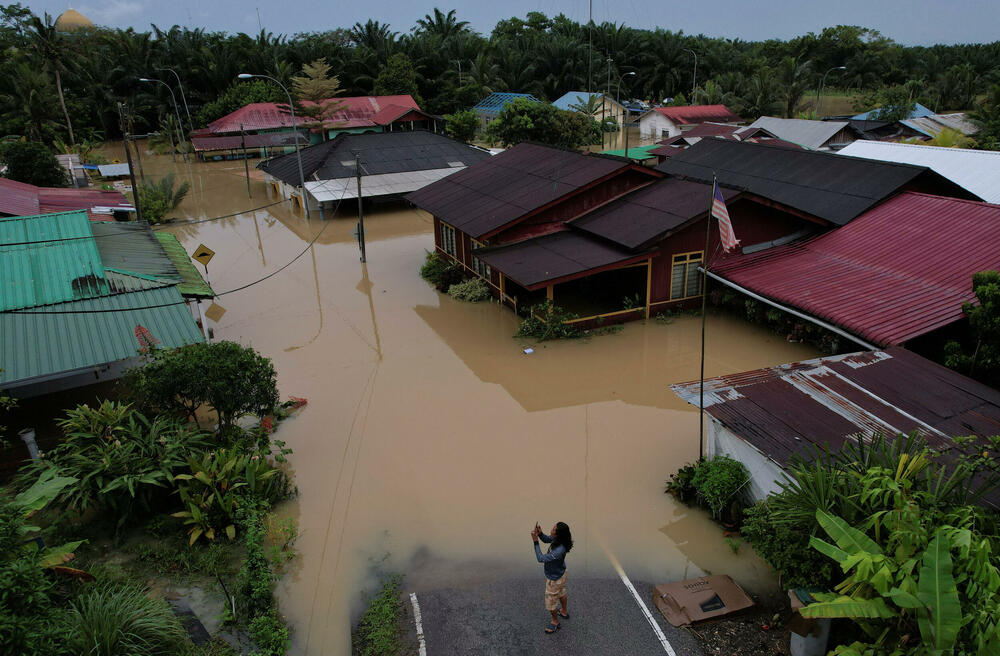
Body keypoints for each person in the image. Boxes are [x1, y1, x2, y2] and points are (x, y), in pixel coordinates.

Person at [531, 521, 573, 634]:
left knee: (550, 604)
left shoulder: (559, 550)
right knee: (562, 593)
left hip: (554, 579)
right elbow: (546, 539)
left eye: (554, 530)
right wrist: (540, 534)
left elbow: (541, 558)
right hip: (562, 573)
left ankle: (555, 622)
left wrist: (535, 542)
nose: (552, 530)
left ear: (558, 534)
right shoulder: (559, 540)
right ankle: (564, 611)